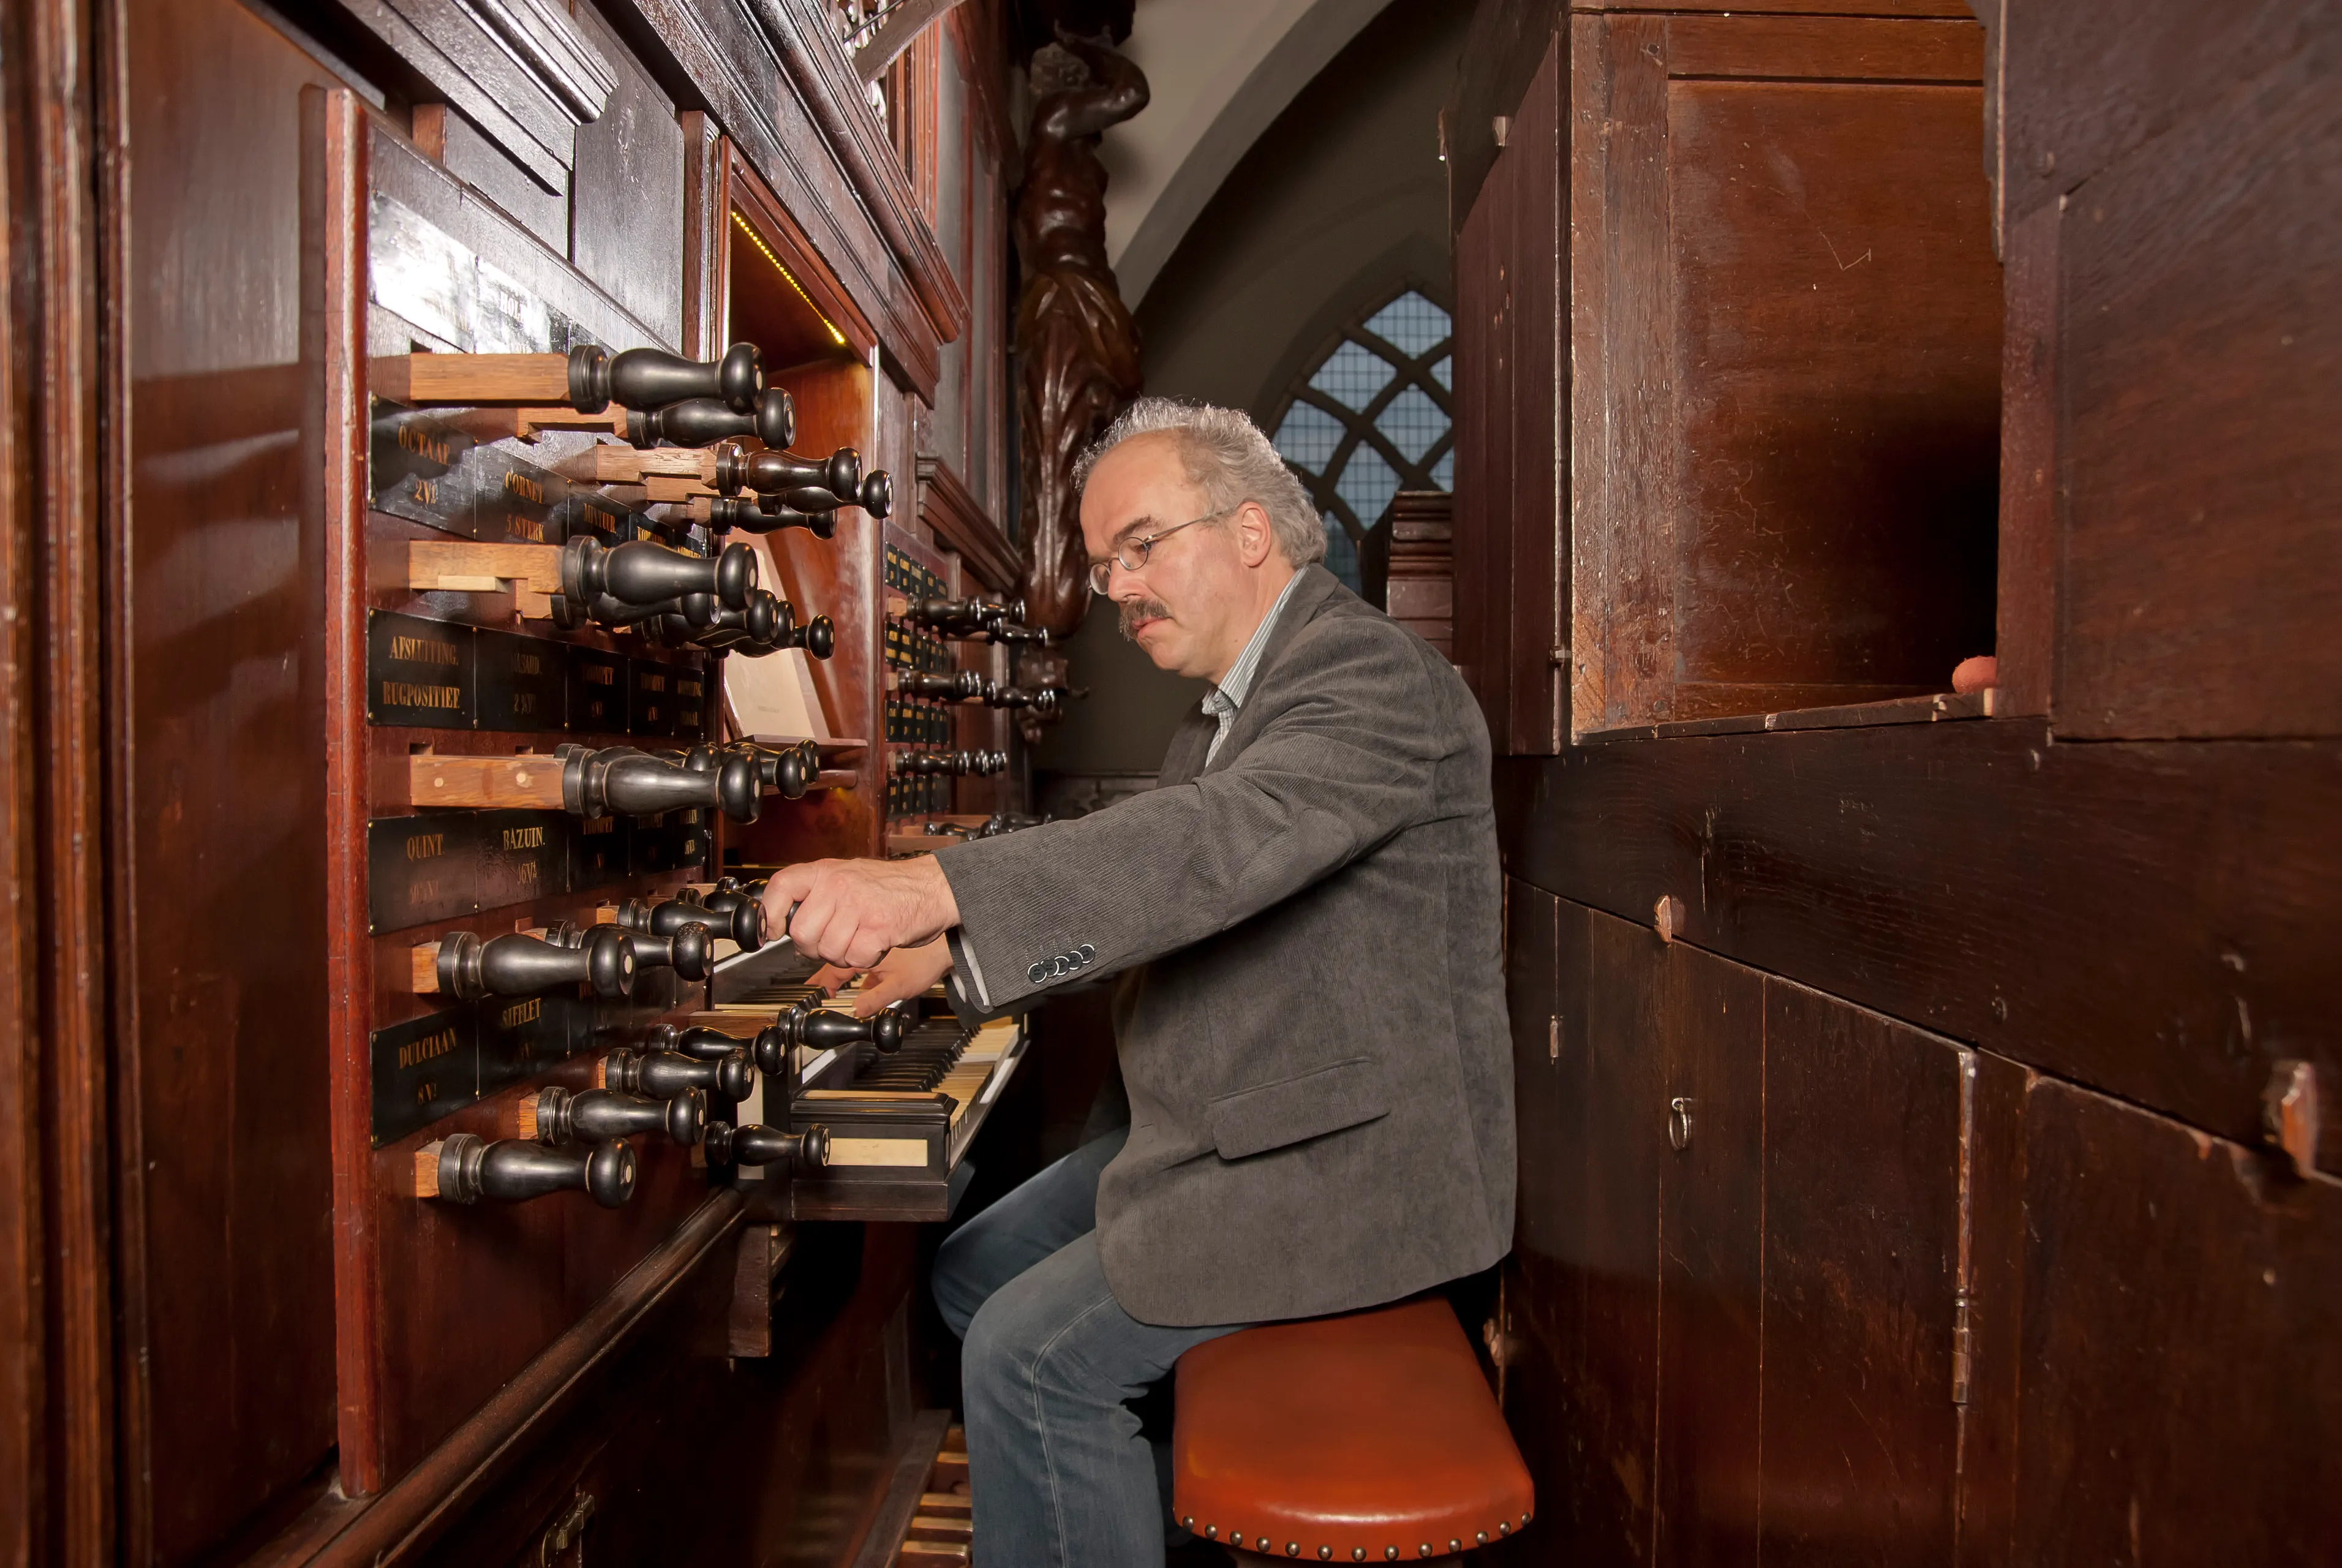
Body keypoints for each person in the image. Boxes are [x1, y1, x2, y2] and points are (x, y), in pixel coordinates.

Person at [763, 398, 1513, 1567]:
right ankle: (1117, 1513)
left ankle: (1096, 1494)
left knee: (1023, 1360)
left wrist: (930, 886)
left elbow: (1212, 846)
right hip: (1233, 1123)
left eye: (1140, 545)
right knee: (968, 1272)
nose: (1116, 587)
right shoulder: (1230, 710)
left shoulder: (1368, 675)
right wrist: (951, 954)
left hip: (1348, 1164)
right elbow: (1169, 890)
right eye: (1105, 561)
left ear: (1251, 532)